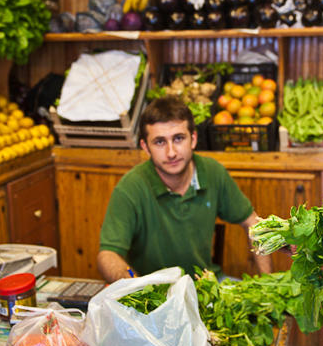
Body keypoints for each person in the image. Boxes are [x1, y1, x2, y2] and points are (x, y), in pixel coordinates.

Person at [97, 95, 272, 282]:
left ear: (193, 139)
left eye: (178, 138)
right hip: (155, 292)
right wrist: (134, 283)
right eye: (159, 142)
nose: (171, 152)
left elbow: (254, 223)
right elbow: (107, 255)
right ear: (145, 147)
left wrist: (269, 283)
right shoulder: (130, 187)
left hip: (207, 284)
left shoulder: (213, 172)